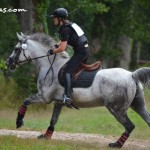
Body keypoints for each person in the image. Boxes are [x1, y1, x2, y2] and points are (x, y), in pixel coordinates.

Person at [48, 8, 89, 107]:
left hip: (80, 53)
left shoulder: (65, 29)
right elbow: (63, 41)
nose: (54, 20)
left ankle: (67, 96)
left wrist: (52, 51)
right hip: (85, 50)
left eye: (55, 18)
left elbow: (62, 48)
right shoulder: (70, 24)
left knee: (67, 71)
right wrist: (57, 45)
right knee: (72, 71)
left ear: (60, 19)